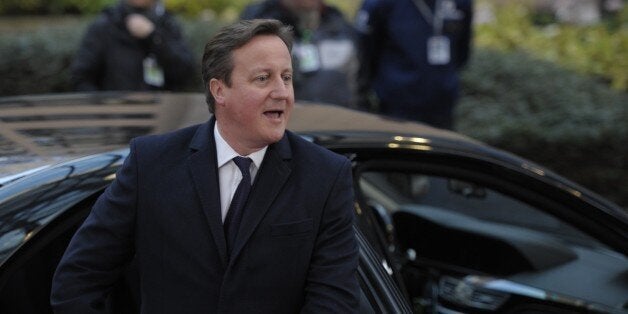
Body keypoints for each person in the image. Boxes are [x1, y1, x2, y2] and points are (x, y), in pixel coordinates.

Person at [51, 19, 359, 313]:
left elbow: (335, 300)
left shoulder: (326, 175)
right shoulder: (151, 164)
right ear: (219, 90)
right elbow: (78, 278)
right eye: (263, 78)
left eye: (287, 77)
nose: (281, 92)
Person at [356, 0, 473, 129]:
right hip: (397, 106)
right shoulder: (381, 4)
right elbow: (366, 53)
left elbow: (462, 52)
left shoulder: (460, 3)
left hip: (442, 103)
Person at [241, 0, 359, 108]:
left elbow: (361, 89)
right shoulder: (254, 24)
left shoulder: (344, 28)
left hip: (339, 125)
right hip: (278, 124)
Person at [70, 0, 195, 91]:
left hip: (161, 117)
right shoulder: (105, 26)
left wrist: (153, 37)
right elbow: (81, 78)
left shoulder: (168, 25)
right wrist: (102, 112)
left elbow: (185, 73)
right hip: (115, 119)